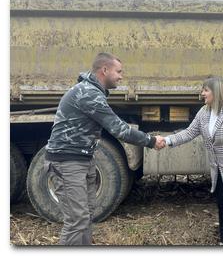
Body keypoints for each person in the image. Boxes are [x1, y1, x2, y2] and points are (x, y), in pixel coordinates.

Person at [44, 52, 166, 245]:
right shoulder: (88, 94)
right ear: (104, 70)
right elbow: (120, 129)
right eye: (118, 71)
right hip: (67, 162)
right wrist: (151, 140)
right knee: (77, 221)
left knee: (86, 216)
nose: (121, 76)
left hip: (83, 159)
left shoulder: (93, 92)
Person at [163, 76, 223, 245]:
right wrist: (167, 140)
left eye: (206, 90)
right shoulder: (204, 112)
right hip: (219, 172)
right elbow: (189, 132)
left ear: (217, 92)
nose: (202, 93)